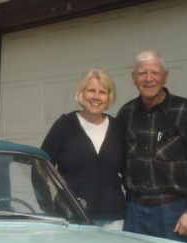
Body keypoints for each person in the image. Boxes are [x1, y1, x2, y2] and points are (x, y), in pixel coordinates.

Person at [117, 50, 187, 243]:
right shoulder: (126, 113)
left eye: (155, 73)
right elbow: (113, 162)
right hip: (134, 211)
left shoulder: (185, 111)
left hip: (172, 212)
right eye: (142, 73)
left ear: (165, 77)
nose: (149, 79)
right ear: (134, 78)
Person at [41, 68, 125, 229]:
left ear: (108, 98)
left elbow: (129, 171)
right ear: (82, 94)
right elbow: (40, 169)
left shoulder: (118, 128)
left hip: (113, 219)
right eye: (91, 91)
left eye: (102, 92)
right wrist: (46, 208)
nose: (96, 97)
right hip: (72, 218)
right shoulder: (64, 126)